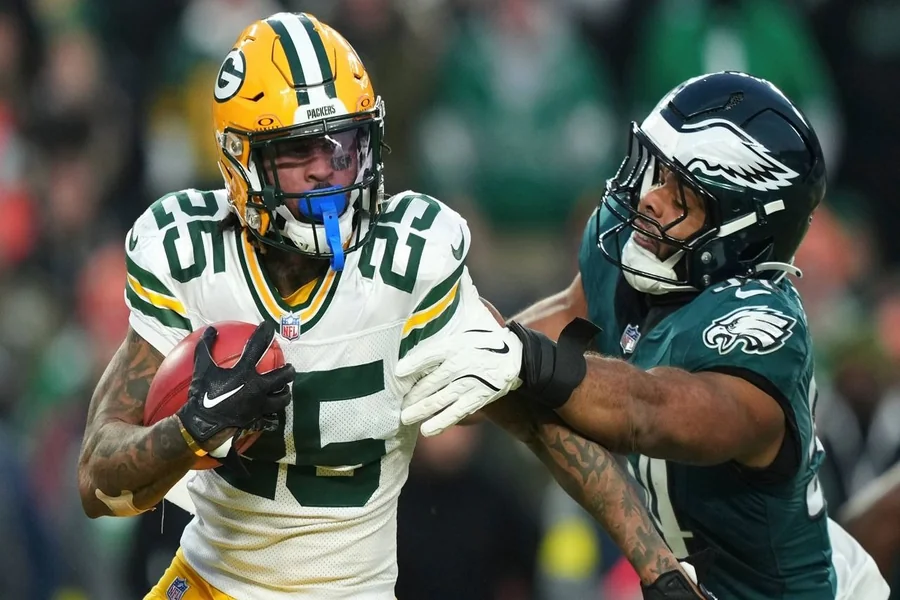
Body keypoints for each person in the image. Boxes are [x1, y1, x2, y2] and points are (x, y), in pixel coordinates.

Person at [76, 12, 711, 600]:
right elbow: (96, 482)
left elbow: (538, 420)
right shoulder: (193, 255)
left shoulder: (407, 264)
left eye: (342, 144)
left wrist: (657, 567)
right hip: (210, 581)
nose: (328, 170)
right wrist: (188, 431)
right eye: (299, 151)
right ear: (244, 162)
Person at [397, 71, 891, 599]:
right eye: (660, 172)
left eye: (684, 196)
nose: (652, 198)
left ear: (742, 230)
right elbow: (558, 333)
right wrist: (459, 362)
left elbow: (647, 410)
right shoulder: (635, 252)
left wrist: (524, 360)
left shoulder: (762, 330)